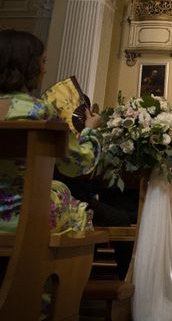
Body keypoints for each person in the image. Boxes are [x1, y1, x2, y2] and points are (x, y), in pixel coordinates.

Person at [0, 29, 101, 234]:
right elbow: (78, 165)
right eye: (42, 61)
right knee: (73, 204)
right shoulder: (38, 111)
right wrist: (89, 131)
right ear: (27, 66)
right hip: (24, 217)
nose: (44, 69)